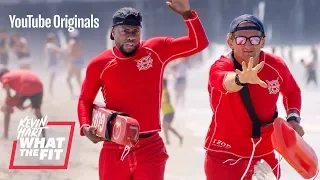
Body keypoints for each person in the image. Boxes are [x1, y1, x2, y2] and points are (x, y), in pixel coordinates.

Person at [77, 0, 209, 179]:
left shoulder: (156, 50)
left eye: (135, 31)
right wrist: (85, 126)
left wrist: (188, 16)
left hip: (150, 147)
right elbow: (85, 100)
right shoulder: (99, 64)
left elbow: (198, 44)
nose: (131, 36)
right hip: (114, 146)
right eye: (125, 31)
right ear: (112, 33)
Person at [204, 14, 304, 180]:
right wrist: (241, 79)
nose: (248, 44)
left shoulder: (276, 66)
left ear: (263, 41)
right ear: (230, 41)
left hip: (263, 156)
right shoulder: (221, 66)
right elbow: (225, 82)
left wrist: (293, 118)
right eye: (241, 39)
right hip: (224, 156)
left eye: (255, 39)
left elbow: (292, 91)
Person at [0, 68, 46, 139]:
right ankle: (44, 136)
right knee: (38, 113)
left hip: (25, 87)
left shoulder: (4, 77)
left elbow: (8, 93)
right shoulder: (15, 74)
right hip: (38, 86)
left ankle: (5, 135)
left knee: (8, 106)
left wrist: (7, 102)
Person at [161, 78, 183, 146]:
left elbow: (168, 100)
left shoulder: (166, 92)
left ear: (163, 84)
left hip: (169, 112)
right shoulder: (163, 91)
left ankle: (168, 141)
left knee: (165, 126)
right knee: (167, 127)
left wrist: (160, 102)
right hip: (167, 112)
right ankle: (179, 137)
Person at [66, 30, 83, 98]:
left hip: (73, 62)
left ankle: (72, 94)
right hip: (79, 61)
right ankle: (83, 93)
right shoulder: (79, 42)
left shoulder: (71, 43)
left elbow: (70, 53)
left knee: (68, 79)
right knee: (78, 79)